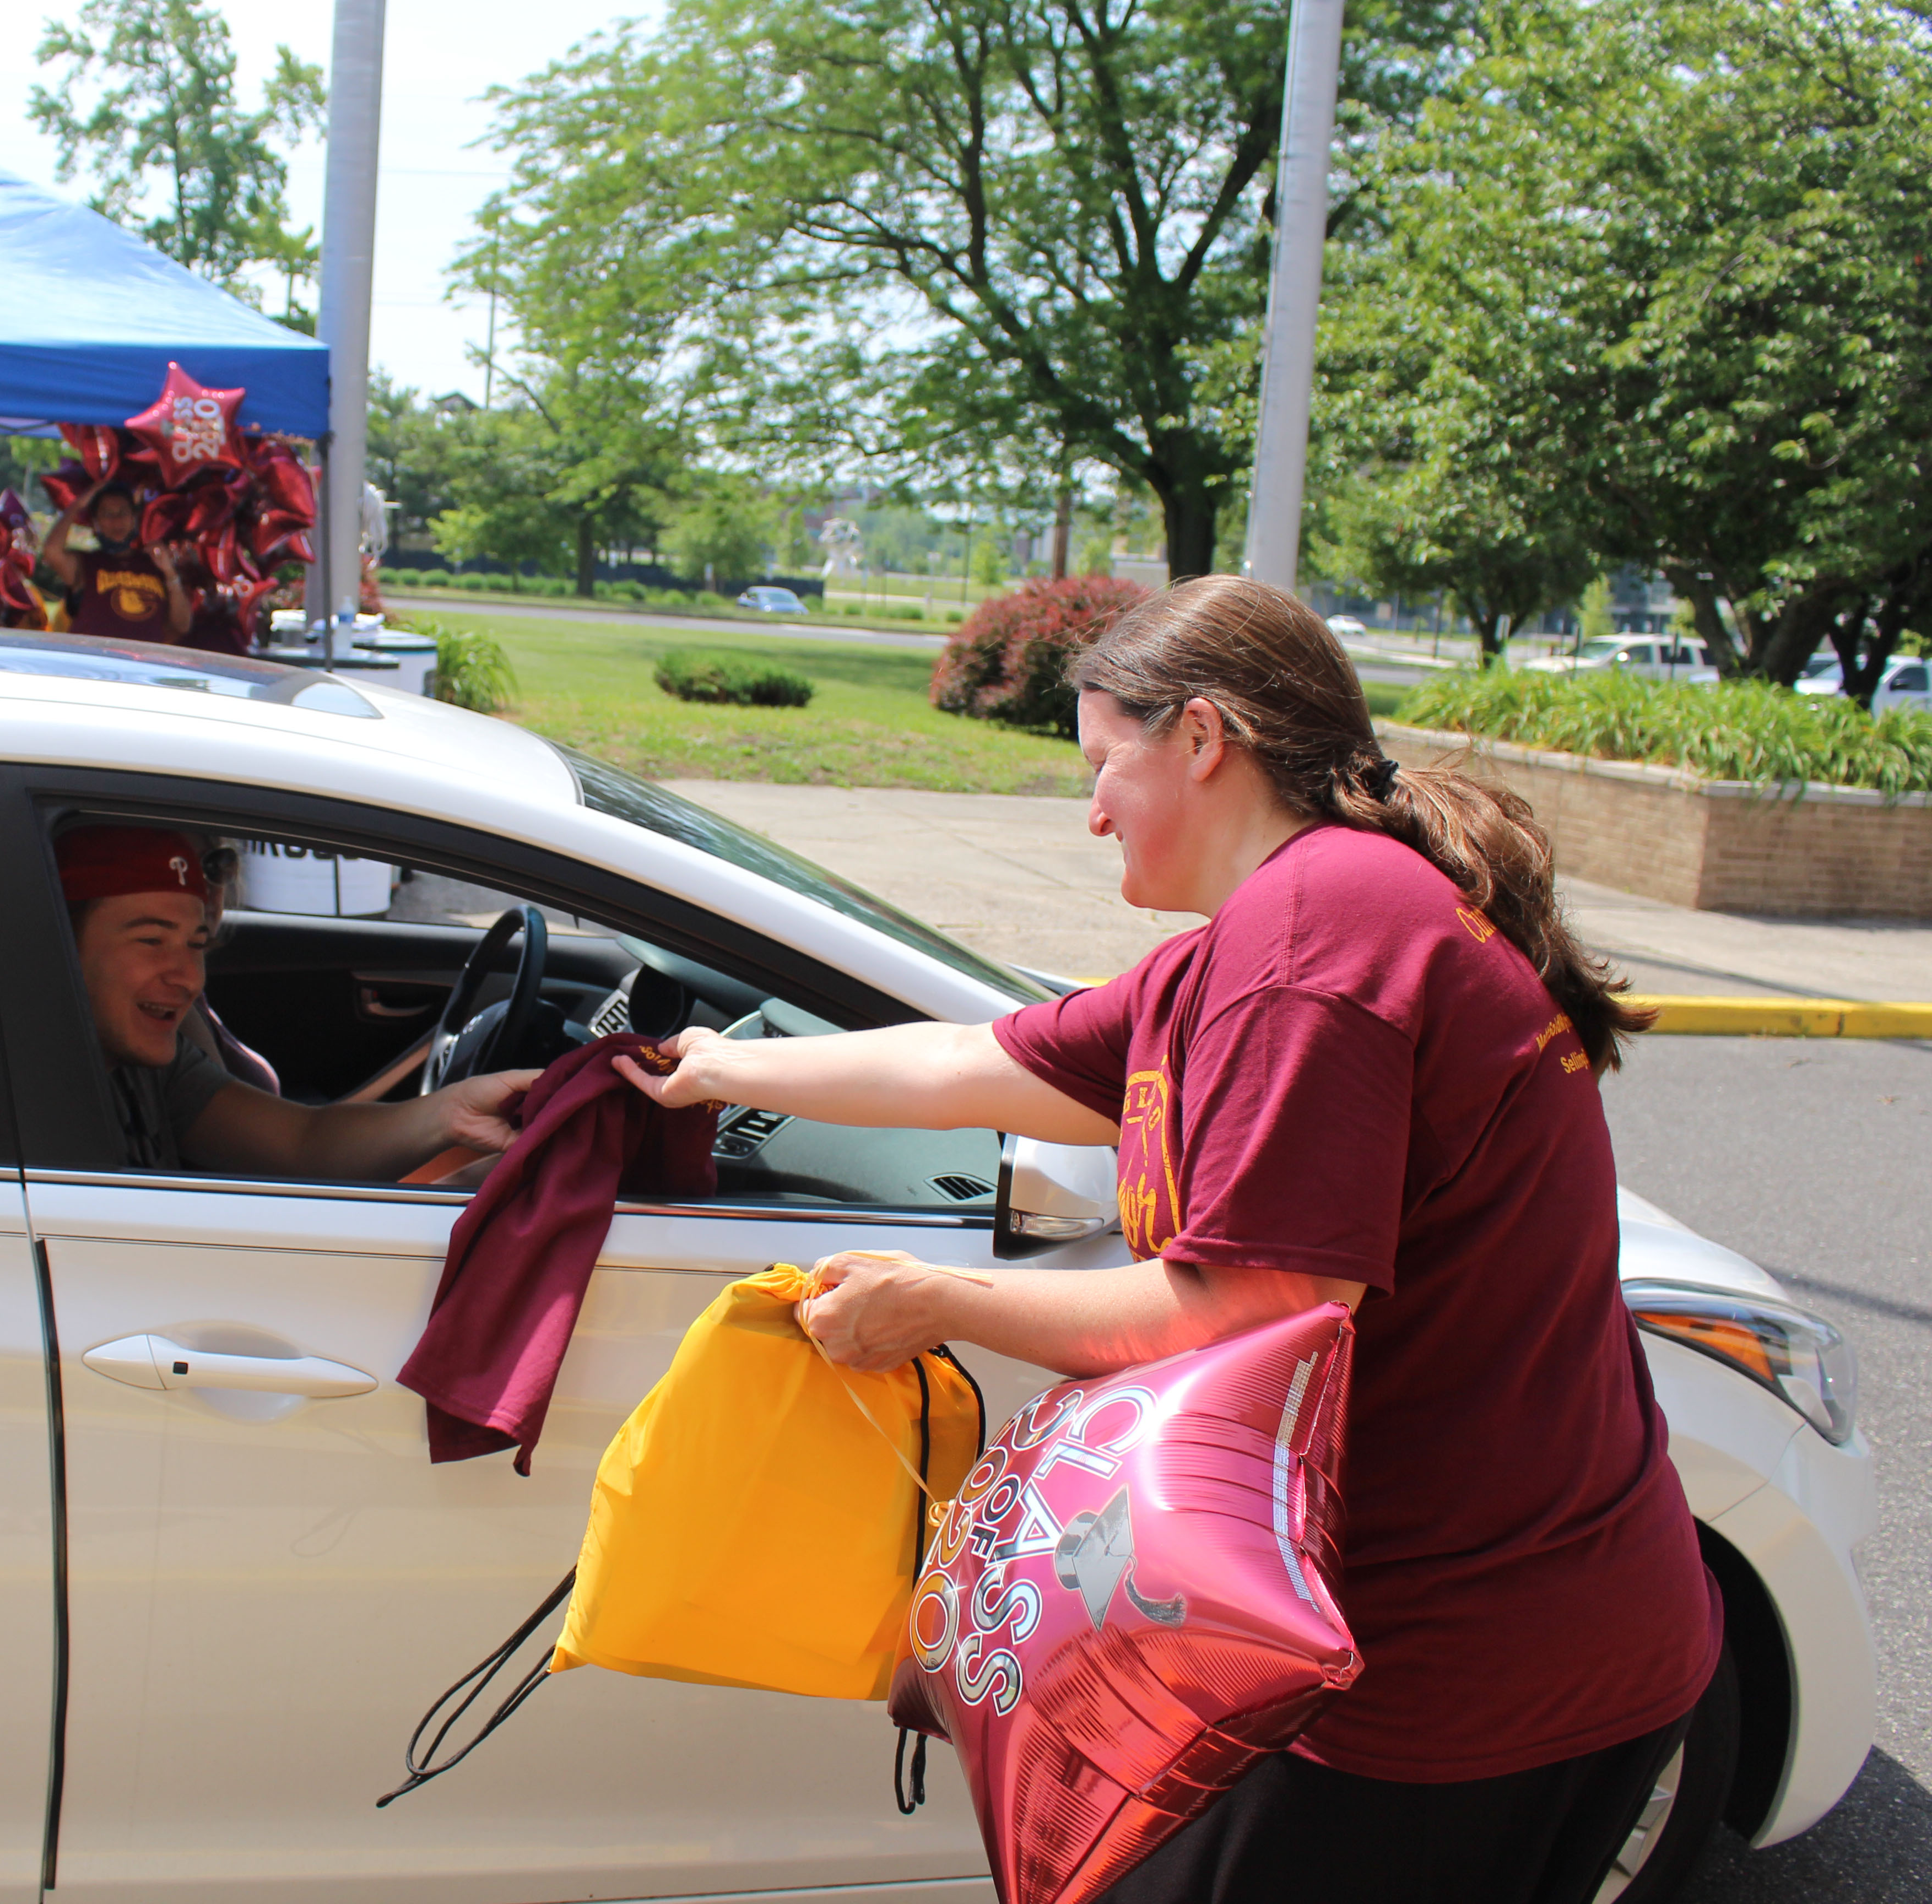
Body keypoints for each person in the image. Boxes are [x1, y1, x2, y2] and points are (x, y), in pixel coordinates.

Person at [618, 575, 1718, 1904]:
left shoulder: (1315, 938)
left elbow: (1254, 1303)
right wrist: (725, 1070)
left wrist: (938, 1298)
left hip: (1456, 1672)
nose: (1089, 812)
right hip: (1423, 1631)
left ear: (1203, 736)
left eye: (1101, 765)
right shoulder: (1259, 939)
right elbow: (979, 1054)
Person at [61, 823, 533, 1177]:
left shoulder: (150, 1066)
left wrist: (453, 1113)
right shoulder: (19, 1094)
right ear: (60, 945)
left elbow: (301, 1143)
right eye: (150, 941)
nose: (187, 978)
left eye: (196, 944)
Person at [47, 485, 192, 642]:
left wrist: (170, 573)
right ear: (95, 523)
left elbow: (182, 626)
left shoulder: (156, 564)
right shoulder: (86, 563)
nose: (116, 521)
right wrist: (78, 505)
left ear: (134, 519)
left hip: (140, 662)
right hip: (95, 660)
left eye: (123, 513)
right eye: (107, 514)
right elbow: (52, 550)